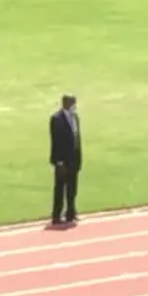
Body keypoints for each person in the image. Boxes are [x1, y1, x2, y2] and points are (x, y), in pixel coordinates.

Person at [49, 93, 83, 224]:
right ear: (65, 103)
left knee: (72, 188)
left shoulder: (75, 117)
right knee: (60, 188)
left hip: (74, 158)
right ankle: (56, 216)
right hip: (62, 161)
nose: (75, 105)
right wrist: (59, 162)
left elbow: (77, 138)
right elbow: (55, 142)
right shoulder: (56, 119)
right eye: (72, 102)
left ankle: (71, 212)